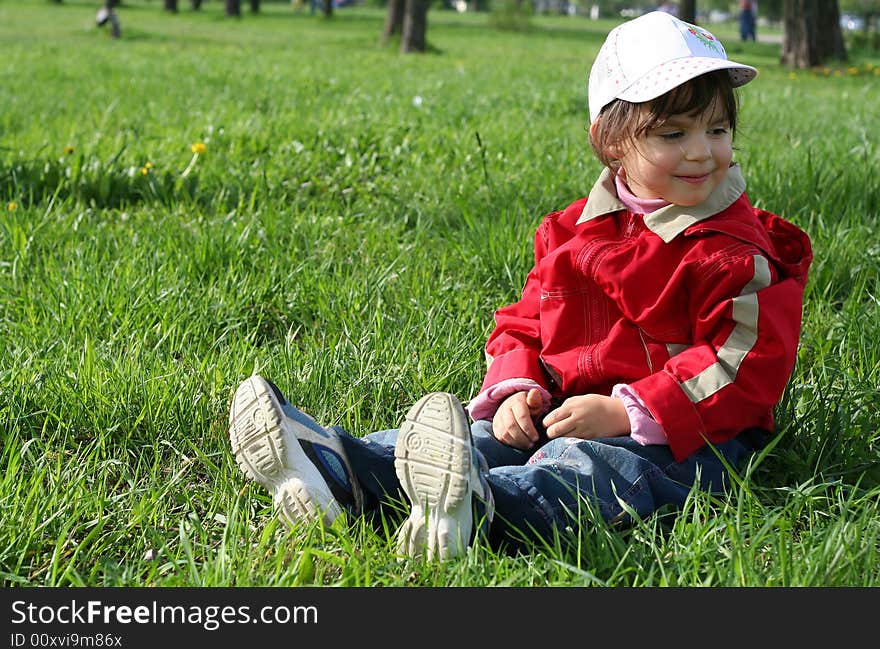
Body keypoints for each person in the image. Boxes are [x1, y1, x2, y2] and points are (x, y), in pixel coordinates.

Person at [228, 11, 812, 561]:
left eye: (717, 129)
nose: (702, 151)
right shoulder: (570, 231)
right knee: (481, 434)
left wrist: (623, 410)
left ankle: (482, 509)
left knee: (585, 466)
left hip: (692, 436)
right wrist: (515, 390)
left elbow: (743, 367)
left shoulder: (733, 251)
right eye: (673, 133)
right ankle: (341, 469)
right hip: (562, 406)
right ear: (612, 143)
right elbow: (525, 322)